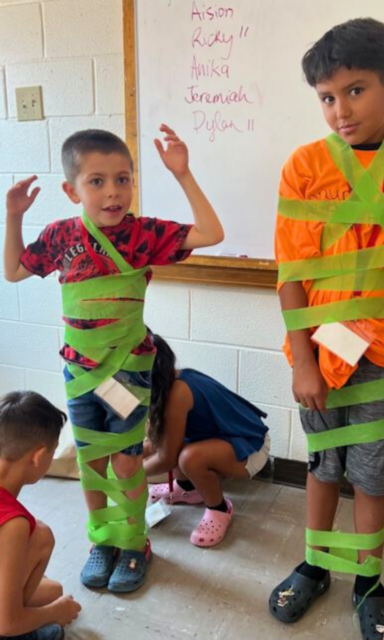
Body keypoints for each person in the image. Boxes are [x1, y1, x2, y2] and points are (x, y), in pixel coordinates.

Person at [268, 18, 384, 639]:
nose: (340, 109)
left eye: (355, 90)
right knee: (324, 465)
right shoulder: (304, 166)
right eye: (327, 97)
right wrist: (300, 360)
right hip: (321, 350)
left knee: (373, 475)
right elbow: (292, 272)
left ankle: (368, 580)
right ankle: (317, 563)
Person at [3, 127, 224, 593]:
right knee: (91, 463)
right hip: (81, 374)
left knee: (125, 462)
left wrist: (182, 174)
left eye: (123, 179)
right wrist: (13, 217)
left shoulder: (142, 234)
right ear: (72, 190)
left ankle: (134, 542)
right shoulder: (62, 236)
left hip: (125, 374)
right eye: (98, 181)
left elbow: (211, 232)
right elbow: (15, 270)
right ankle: (102, 539)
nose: (113, 192)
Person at [144, 335, 270, 547]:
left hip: (251, 446)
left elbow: (166, 458)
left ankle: (219, 508)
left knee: (189, 457)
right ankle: (187, 488)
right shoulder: (171, 382)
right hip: (225, 439)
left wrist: (131, 474)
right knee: (176, 443)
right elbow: (158, 442)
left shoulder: (177, 393)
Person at [0, 392, 80, 640]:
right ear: (38, 456)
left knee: (51, 589)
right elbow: (6, 623)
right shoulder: (14, 523)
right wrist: (58, 611)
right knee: (42, 536)